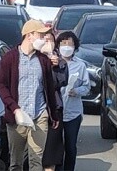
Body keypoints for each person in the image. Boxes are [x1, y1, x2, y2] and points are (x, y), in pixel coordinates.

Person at [0, 19, 60, 171]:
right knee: (16, 163)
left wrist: (54, 114)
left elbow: (49, 88)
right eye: (40, 35)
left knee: (36, 161)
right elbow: (1, 86)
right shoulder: (10, 58)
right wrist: (14, 108)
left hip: (39, 115)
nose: (44, 39)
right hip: (17, 118)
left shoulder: (43, 60)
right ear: (29, 35)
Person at [56, 31, 90, 171]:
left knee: (70, 146)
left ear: (75, 47)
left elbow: (87, 87)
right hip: (56, 112)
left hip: (73, 113)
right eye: (63, 43)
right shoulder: (52, 63)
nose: (66, 47)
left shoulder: (80, 66)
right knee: (56, 146)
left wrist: (77, 91)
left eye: (70, 43)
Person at [41, 33, 68, 171]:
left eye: (50, 40)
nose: (47, 42)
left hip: (54, 109)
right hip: (35, 109)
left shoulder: (60, 62)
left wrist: (54, 67)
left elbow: (61, 81)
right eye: (44, 40)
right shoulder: (33, 60)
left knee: (51, 153)